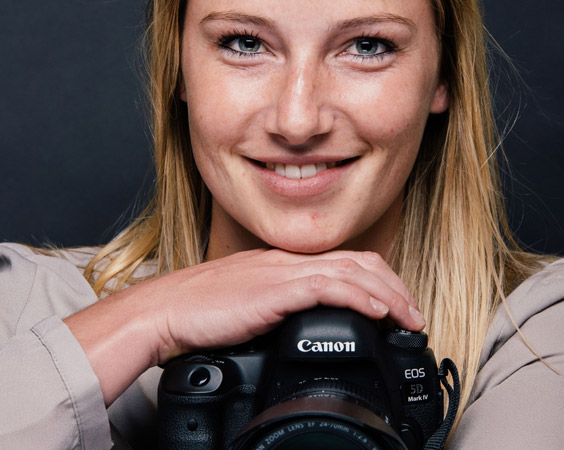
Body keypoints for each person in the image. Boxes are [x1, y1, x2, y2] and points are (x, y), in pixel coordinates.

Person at [1, 0, 563, 449]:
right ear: (178, 67)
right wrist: (145, 318)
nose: (297, 121)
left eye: (367, 46)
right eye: (245, 43)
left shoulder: (534, 334)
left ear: (444, 75)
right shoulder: (22, 307)